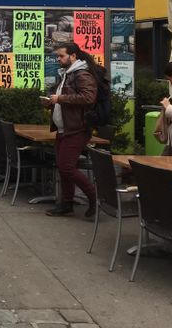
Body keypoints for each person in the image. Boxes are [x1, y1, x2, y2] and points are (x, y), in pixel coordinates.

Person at [43, 42, 98, 218]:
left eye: (61, 56)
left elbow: (88, 98)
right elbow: (66, 99)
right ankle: (66, 204)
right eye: (57, 56)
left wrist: (60, 98)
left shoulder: (82, 74)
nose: (58, 59)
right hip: (64, 129)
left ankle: (95, 198)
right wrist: (51, 102)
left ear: (73, 56)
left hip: (77, 129)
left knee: (66, 167)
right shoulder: (68, 74)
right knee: (63, 168)